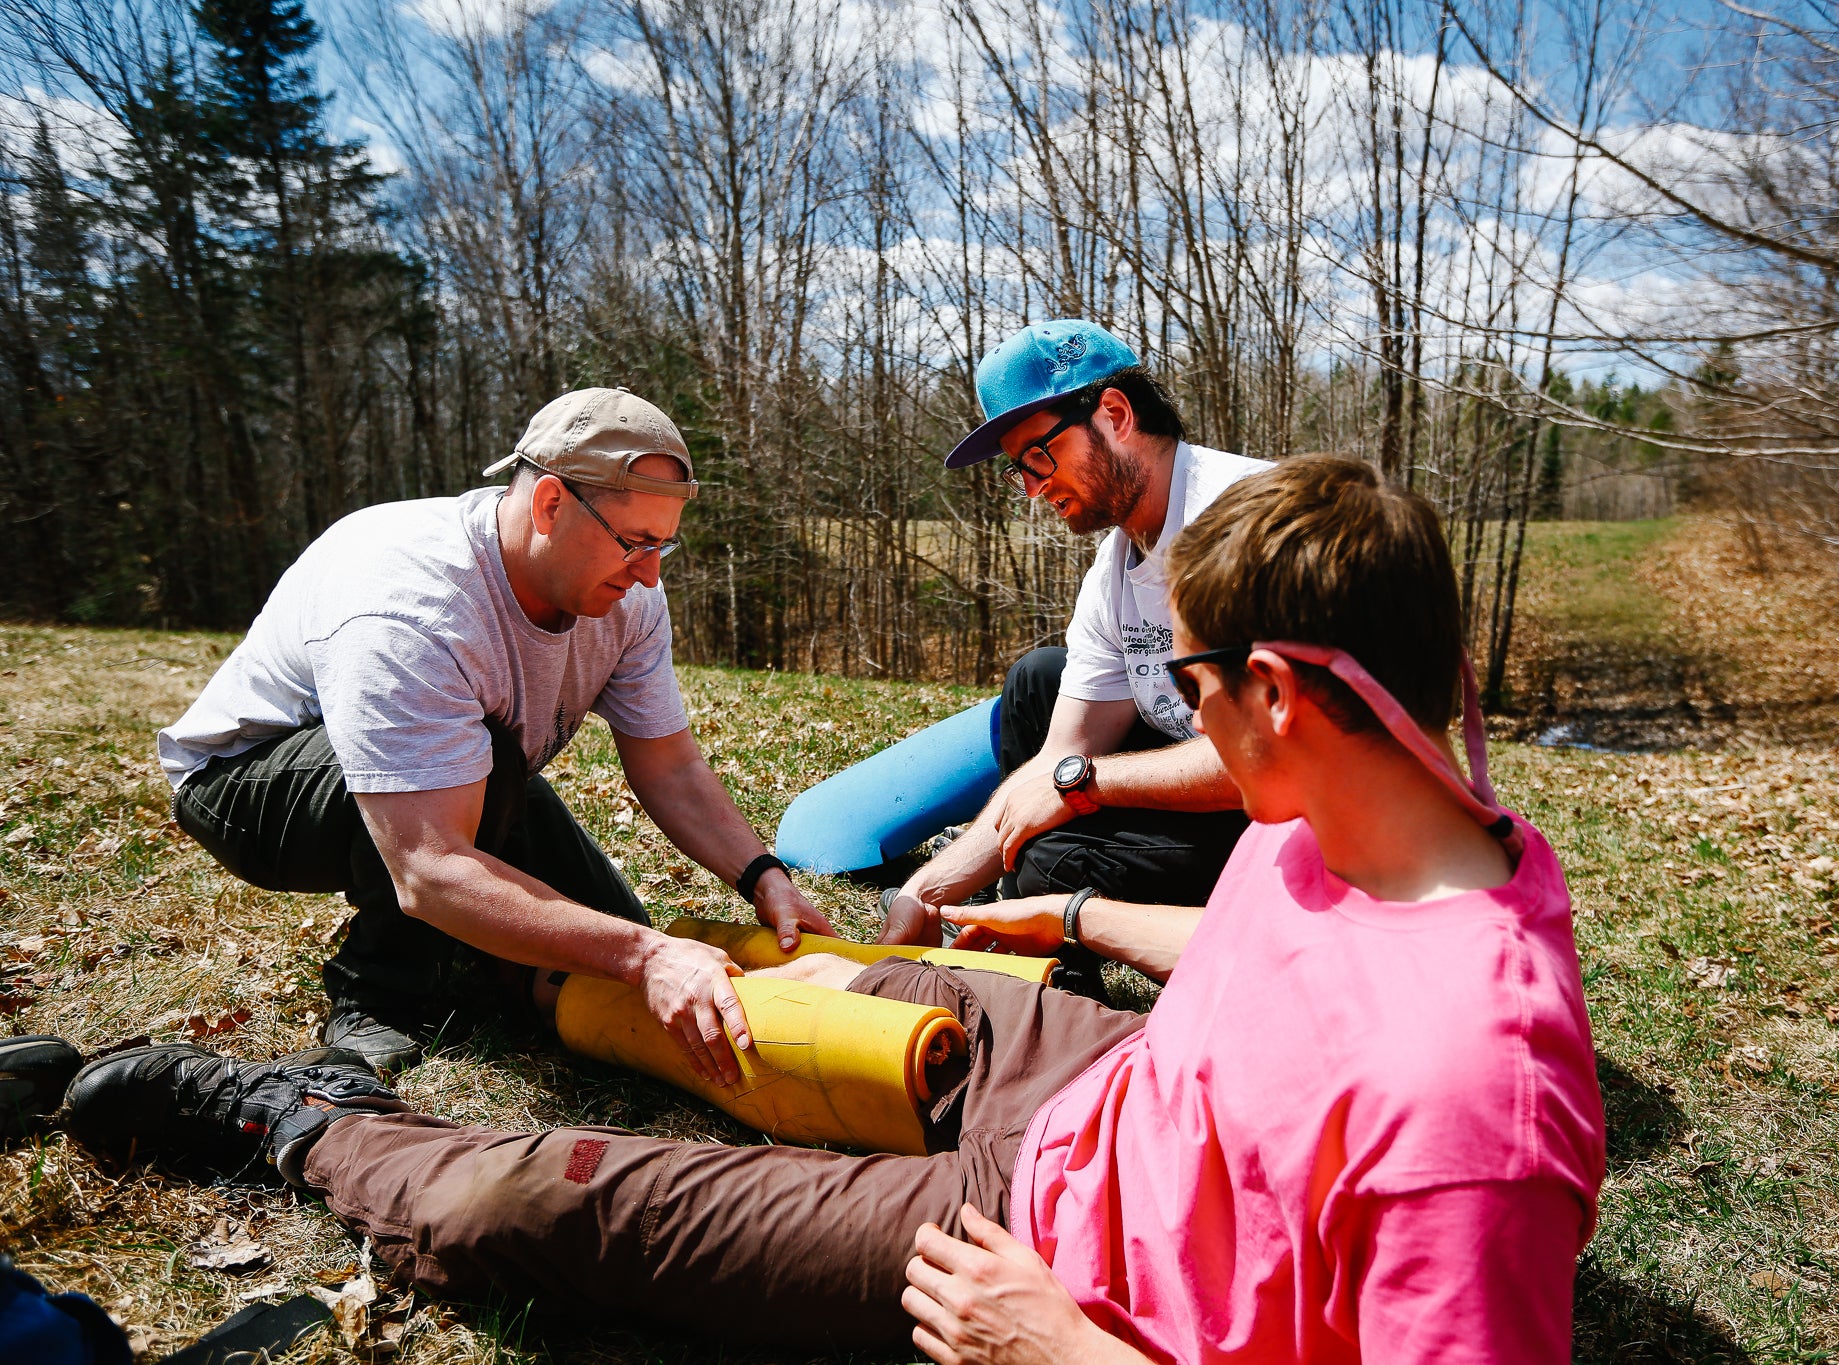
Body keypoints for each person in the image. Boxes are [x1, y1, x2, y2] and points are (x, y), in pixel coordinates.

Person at [68, 456, 1605, 1362]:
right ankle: (508, 985)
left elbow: (1395, 1062)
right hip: (1108, 1090)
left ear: (1271, 692)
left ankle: (290, 1119)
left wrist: (1062, 1346)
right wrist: (1063, 925)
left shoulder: (1472, 1108)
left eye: (1186, 687)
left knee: (547, 1205)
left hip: (1049, 1253)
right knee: (788, 990)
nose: (1174, 718)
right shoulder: (1352, 816)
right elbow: (1291, 962)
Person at [155, 388, 834, 1080]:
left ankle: (486, 967)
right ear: (550, 504)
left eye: (665, 544)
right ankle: (375, 993)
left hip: (477, 773)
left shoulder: (631, 597)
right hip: (250, 784)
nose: (651, 573)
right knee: (594, 911)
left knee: (609, 941)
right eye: (636, 543)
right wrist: (646, 955)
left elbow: (670, 767)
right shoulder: (414, 603)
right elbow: (430, 869)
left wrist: (762, 877)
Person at [880, 321, 1270, 990]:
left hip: (1285, 821)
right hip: (1204, 778)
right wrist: (931, 888)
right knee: (1039, 680)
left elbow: (1272, 762)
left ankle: (1064, 962)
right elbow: (1056, 756)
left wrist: (1076, 785)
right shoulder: (1116, 563)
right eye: (1018, 471)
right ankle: (1025, 910)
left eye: (1040, 456)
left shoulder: (1243, 525)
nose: (1033, 489)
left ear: (1114, 414)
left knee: (1051, 859)